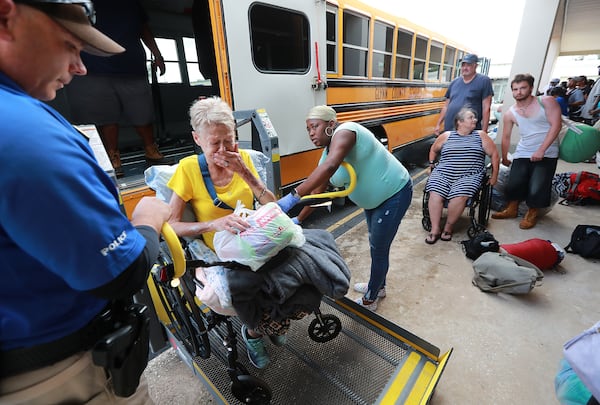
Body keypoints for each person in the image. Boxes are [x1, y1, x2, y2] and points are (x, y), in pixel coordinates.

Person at [0, 1, 171, 403]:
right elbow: (120, 273)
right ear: (6, 16)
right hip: (57, 374)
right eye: (69, 45)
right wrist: (147, 220)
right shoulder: (25, 133)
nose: (80, 67)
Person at [166, 97, 283, 370]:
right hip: (220, 251)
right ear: (197, 139)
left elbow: (272, 205)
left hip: (253, 239)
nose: (223, 150)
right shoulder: (188, 169)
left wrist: (245, 172)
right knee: (249, 286)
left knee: (291, 269)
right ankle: (253, 333)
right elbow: (171, 225)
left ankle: (275, 319)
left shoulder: (242, 160)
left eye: (229, 141)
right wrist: (213, 224)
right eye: (214, 143)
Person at [277, 105, 413, 312]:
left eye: (314, 126)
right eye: (308, 129)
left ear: (331, 124)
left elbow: (332, 166)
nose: (311, 133)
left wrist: (293, 196)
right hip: (374, 201)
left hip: (394, 193)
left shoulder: (347, 131)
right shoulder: (326, 153)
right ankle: (379, 286)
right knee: (375, 244)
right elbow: (317, 193)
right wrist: (299, 219)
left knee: (378, 248)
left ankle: (371, 297)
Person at [65, 0, 170, 177]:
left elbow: (144, 29)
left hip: (132, 66)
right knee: (107, 116)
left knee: (142, 112)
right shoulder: (85, 4)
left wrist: (158, 55)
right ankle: (114, 159)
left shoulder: (133, 4)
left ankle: (151, 151)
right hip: (97, 68)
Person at [492, 73, 562, 229]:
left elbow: (556, 126)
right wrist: (504, 156)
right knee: (515, 182)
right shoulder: (511, 112)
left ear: (531, 88)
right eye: (515, 89)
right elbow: (506, 136)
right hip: (523, 151)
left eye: (523, 88)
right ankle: (511, 208)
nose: (519, 92)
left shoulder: (547, 102)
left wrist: (541, 150)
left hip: (547, 151)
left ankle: (531, 213)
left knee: (538, 185)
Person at [424, 107, 499, 244]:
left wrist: (494, 176)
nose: (475, 120)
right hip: (444, 172)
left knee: (459, 195)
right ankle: (435, 229)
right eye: (471, 117)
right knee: (434, 192)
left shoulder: (480, 135)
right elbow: (433, 149)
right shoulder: (446, 136)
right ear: (459, 122)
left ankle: (448, 227)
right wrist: (431, 164)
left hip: (468, 174)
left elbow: (494, 154)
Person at [434, 54, 494, 136]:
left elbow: (486, 108)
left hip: (469, 130)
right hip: (450, 128)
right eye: (463, 65)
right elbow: (446, 106)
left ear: (475, 66)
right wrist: (438, 124)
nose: (465, 68)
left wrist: (484, 132)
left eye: (468, 65)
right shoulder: (454, 82)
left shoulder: (484, 81)